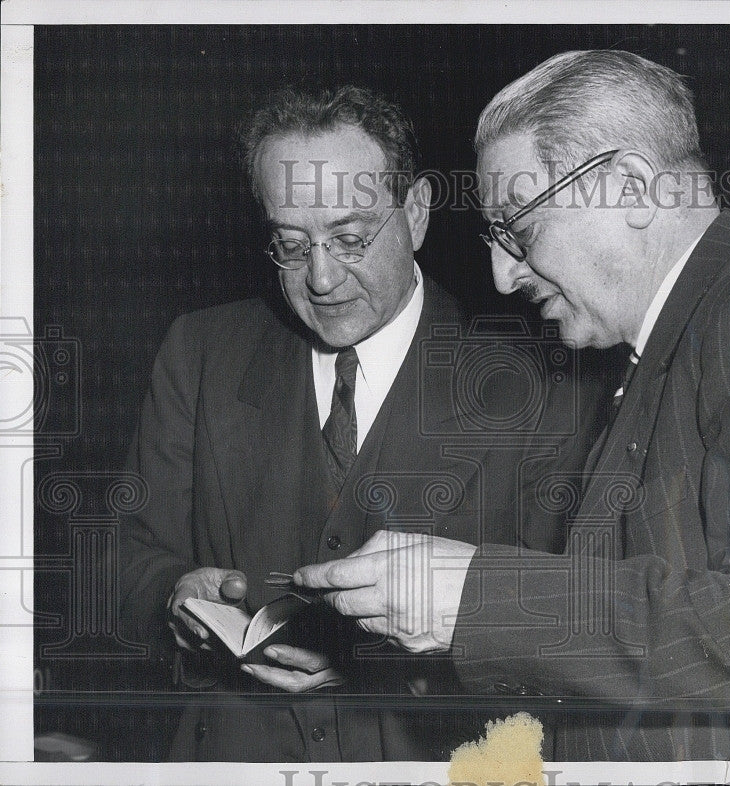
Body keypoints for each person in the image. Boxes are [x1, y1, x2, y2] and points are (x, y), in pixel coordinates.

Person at [294, 51, 730, 761]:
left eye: (518, 231)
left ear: (632, 188)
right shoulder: (674, 343)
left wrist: (473, 598)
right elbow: (656, 638)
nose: (501, 274)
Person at [118, 84, 603, 761]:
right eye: (290, 245)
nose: (320, 278)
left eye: (349, 237)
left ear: (417, 214)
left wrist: (385, 655)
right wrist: (173, 598)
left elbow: (568, 630)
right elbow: (126, 558)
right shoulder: (199, 354)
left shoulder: (543, 382)